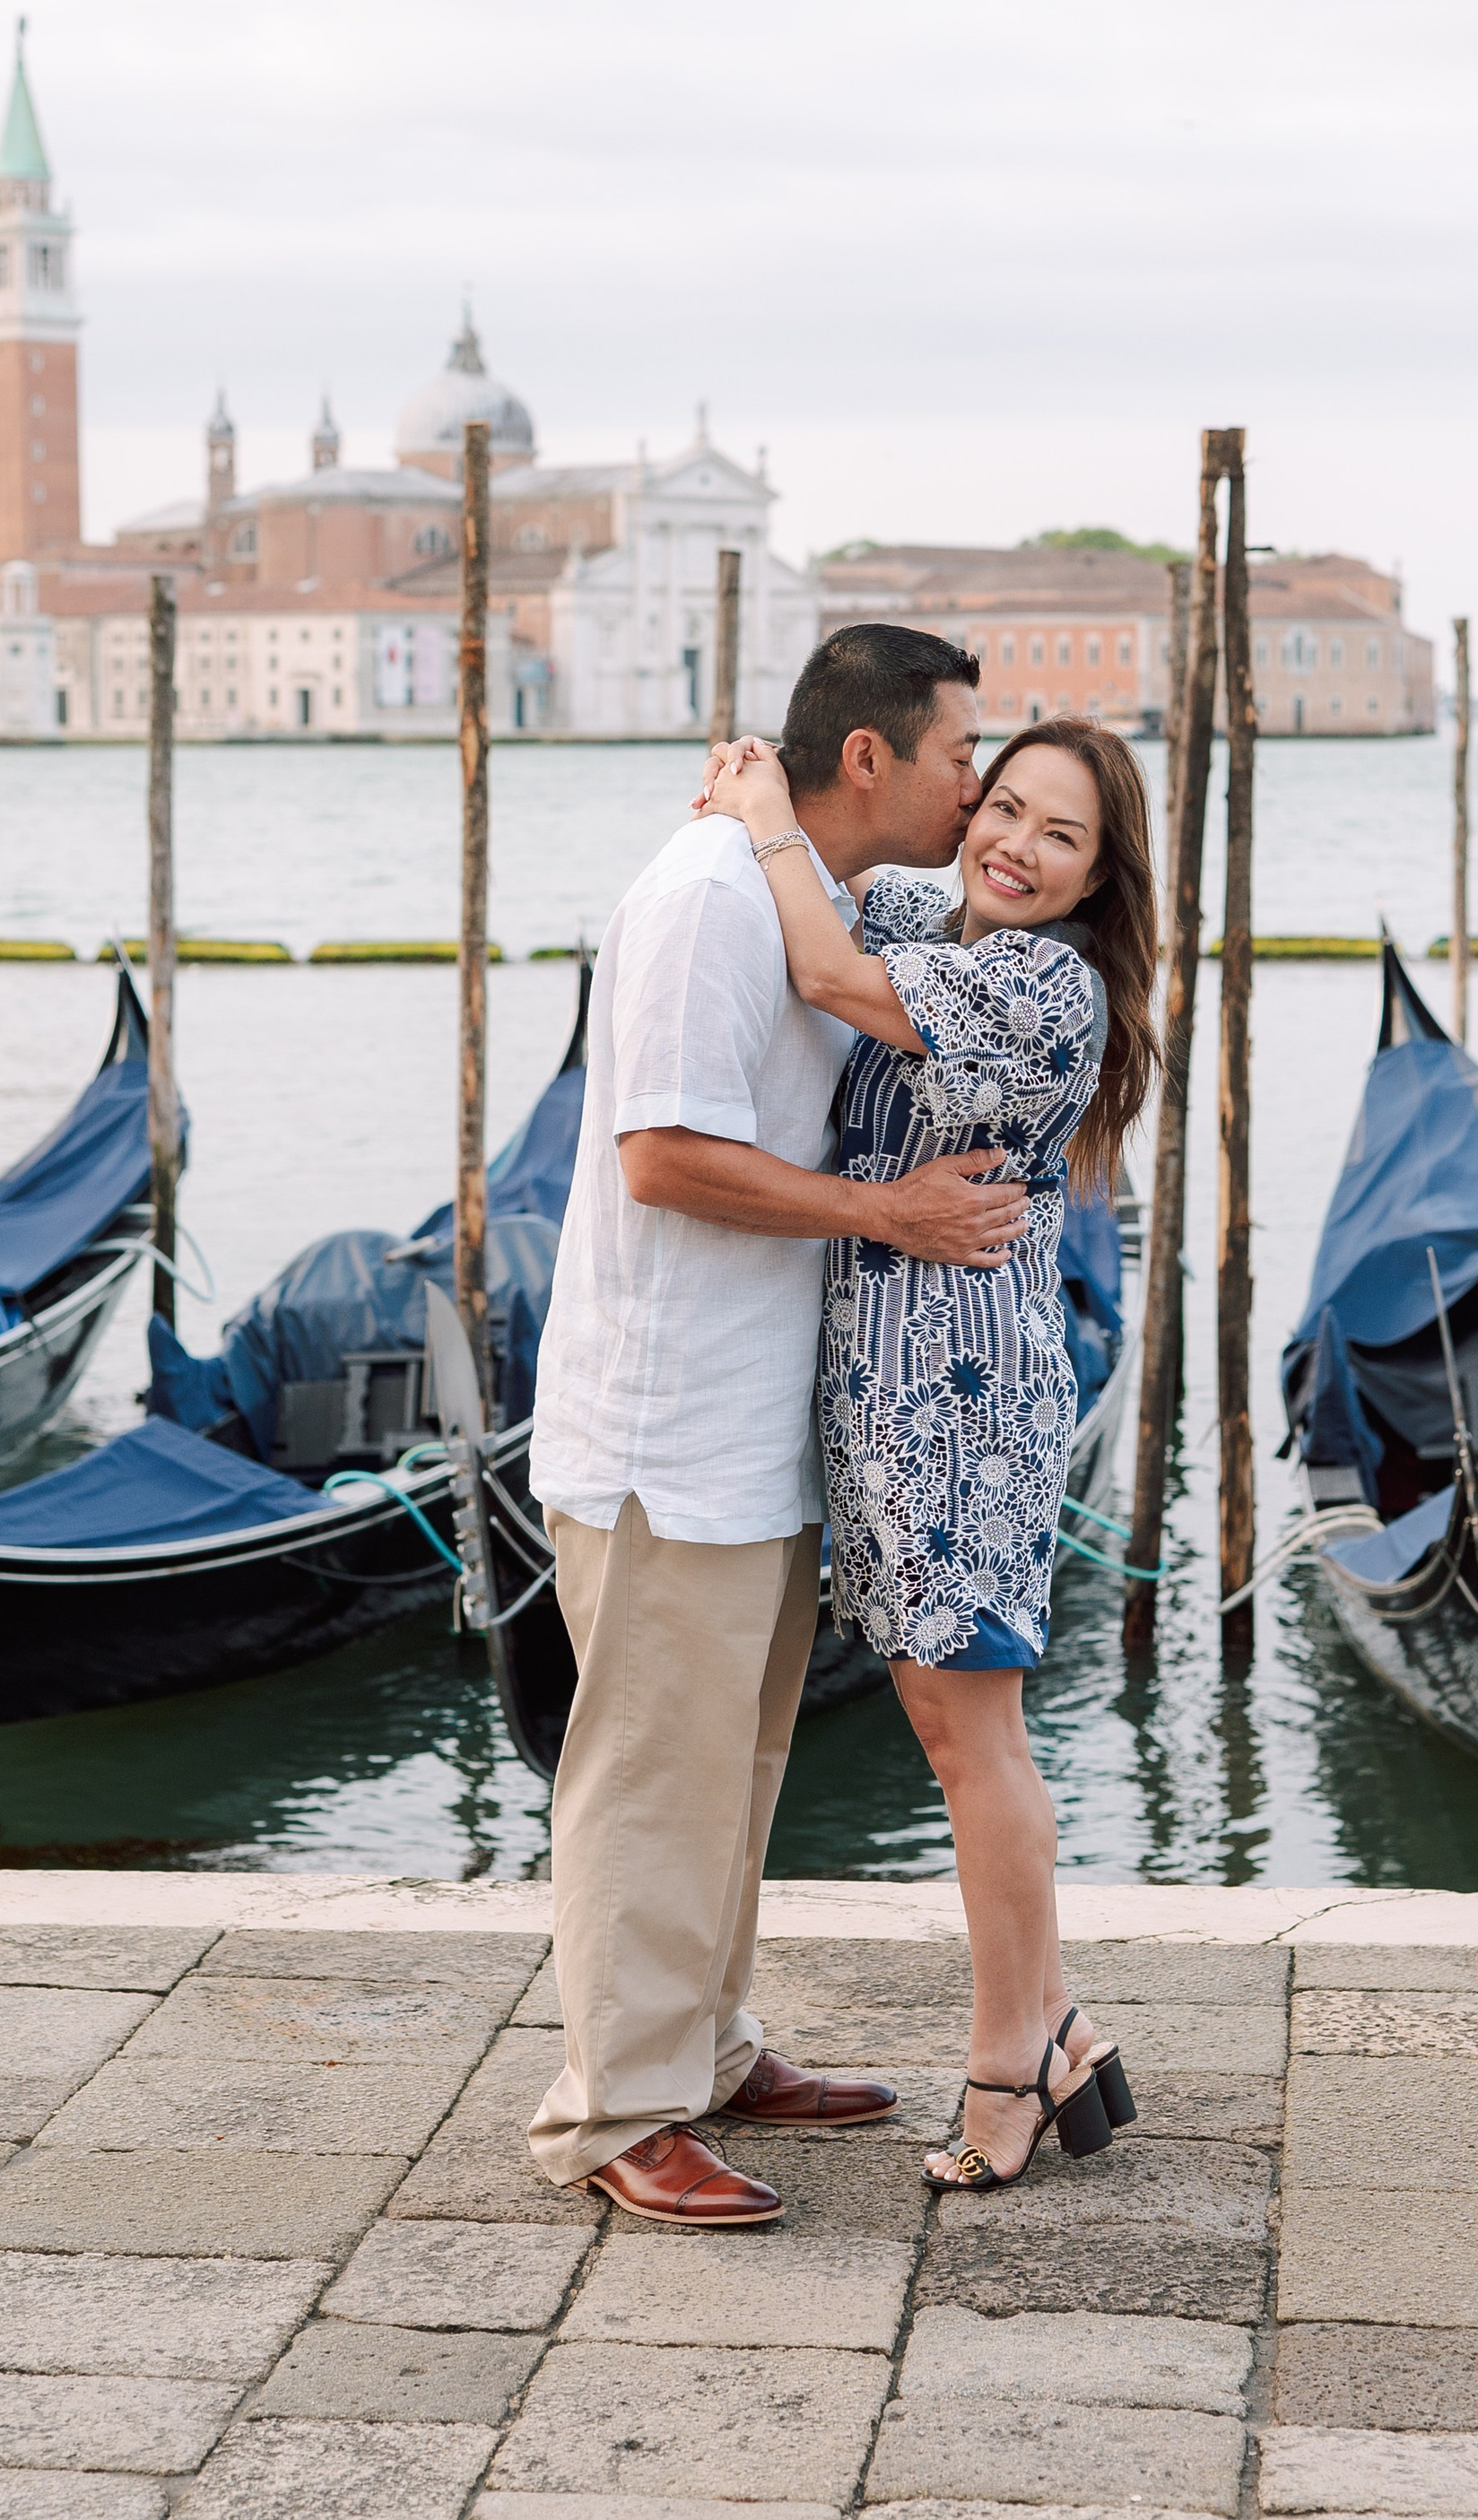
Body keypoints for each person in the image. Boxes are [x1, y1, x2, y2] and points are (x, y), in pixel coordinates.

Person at [525, 623, 1029, 2227]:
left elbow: (865, 978)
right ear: (871, 756)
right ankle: (619, 2112)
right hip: (664, 1424)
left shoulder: (804, 889)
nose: (980, 789)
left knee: (733, 1771)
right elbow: (661, 1157)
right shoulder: (702, 903)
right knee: (648, 1778)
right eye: (962, 755)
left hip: (757, 1424)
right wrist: (887, 1212)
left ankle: (711, 2047)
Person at [703, 714, 1159, 2193]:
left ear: (1100, 879)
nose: (1015, 846)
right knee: (960, 1738)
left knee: (975, 1747)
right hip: (885, 1387)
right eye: (1004, 806)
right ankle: (1056, 2028)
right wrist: (755, 804)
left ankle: (1006, 2067)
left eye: (1059, 835)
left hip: (960, 1398)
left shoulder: (1045, 984)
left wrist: (765, 812)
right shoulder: (934, 910)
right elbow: (845, 892)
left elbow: (828, 968)